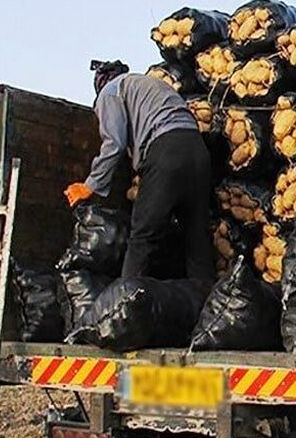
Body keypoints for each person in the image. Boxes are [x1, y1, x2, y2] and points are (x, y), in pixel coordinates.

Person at [64, 59, 215, 283]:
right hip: (198, 151)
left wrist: (91, 185)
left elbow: (114, 143)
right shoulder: (151, 85)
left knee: (143, 236)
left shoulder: (110, 92)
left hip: (167, 151)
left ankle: (125, 297)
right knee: (197, 238)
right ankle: (206, 299)